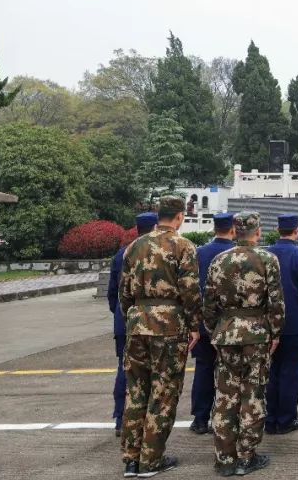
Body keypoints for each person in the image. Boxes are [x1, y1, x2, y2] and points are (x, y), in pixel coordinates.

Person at [119, 196, 201, 478]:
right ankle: (151, 459)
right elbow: (190, 290)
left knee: (136, 390)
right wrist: (194, 325)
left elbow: (124, 291)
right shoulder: (183, 246)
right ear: (179, 217)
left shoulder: (134, 245)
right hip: (168, 326)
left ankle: (131, 458)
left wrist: (134, 316)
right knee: (163, 393)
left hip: (137, 322)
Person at [203, 211, 286, 477]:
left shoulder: (219, 260)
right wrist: (275, 334)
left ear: (234, 231)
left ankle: (224, 457)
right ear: (257, 231)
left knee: (226, 395)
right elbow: (276, 302)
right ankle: (246, 455)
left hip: (226, 333)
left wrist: (215, 332)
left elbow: (209, 304)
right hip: (257, 334)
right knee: (253, 394)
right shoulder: (267, 259)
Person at [108, 212, 157, 437]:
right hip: (153, 323)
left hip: (125, 320)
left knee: (125, 370)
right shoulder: (158, 251)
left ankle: (121, 417)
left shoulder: (122, 254)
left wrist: (121, 315)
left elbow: (112, 294)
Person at [191, 213, 239, 434]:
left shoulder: (198, 253)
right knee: (232, 373)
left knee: (204, 369)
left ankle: (200, 418)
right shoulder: (238, 255)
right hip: (232, 325)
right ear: (233, 230)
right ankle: (228, 418)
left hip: (203, 323)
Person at [264, 213, 298, 435]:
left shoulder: (265, 255)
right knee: (291, 373)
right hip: (294, 323)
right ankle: (286, 419)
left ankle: (270, 417)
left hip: (268, 324)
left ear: (277, 230)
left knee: (271, 372)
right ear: (297, 230)